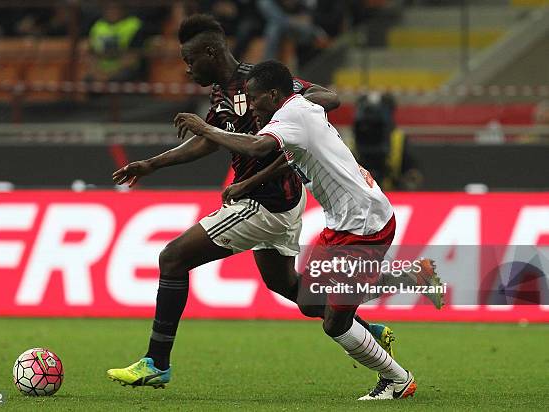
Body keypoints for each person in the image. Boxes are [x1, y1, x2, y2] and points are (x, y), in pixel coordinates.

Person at [107, 14, 396, 390]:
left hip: (264, 200)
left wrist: (293, 107)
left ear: (211, 52)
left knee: (173, 258)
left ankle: (156, 362)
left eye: (191, 60)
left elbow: (329, 97)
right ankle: (361, 328)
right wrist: (153, 163)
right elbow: (209, 139)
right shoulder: (220, 94)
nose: (188, 68)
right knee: (288, 285)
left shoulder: (258, 81)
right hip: (279, 196)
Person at [173, 60, 419, 400]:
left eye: (255, 97)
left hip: (362, 223)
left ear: (274, 94)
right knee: (310, 299)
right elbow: (290, 156)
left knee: (335, 323)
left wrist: (206, 128)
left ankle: (397, 379)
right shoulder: (302, 107)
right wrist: (249, 184)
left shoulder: (290, 117)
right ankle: (393, 283)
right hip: (351, 218)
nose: (251, 105)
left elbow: (258, 147)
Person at [352, 92, 422, 191]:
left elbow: (412, 172)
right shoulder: (350, 139)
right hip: (360, 192)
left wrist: (408, 178)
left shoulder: (399, 139)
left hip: (391, 192)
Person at [86, 1, 146, 83]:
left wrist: (109, 75)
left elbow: (133, 57)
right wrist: (96, 72)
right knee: (88, 80)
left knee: (119, 78)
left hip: (124, 69)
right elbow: (91, 55)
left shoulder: (134, 25)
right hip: (101, 70)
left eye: (115, 8)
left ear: (123, 9)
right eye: (109, 8)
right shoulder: (97, 26)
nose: (112, 11)